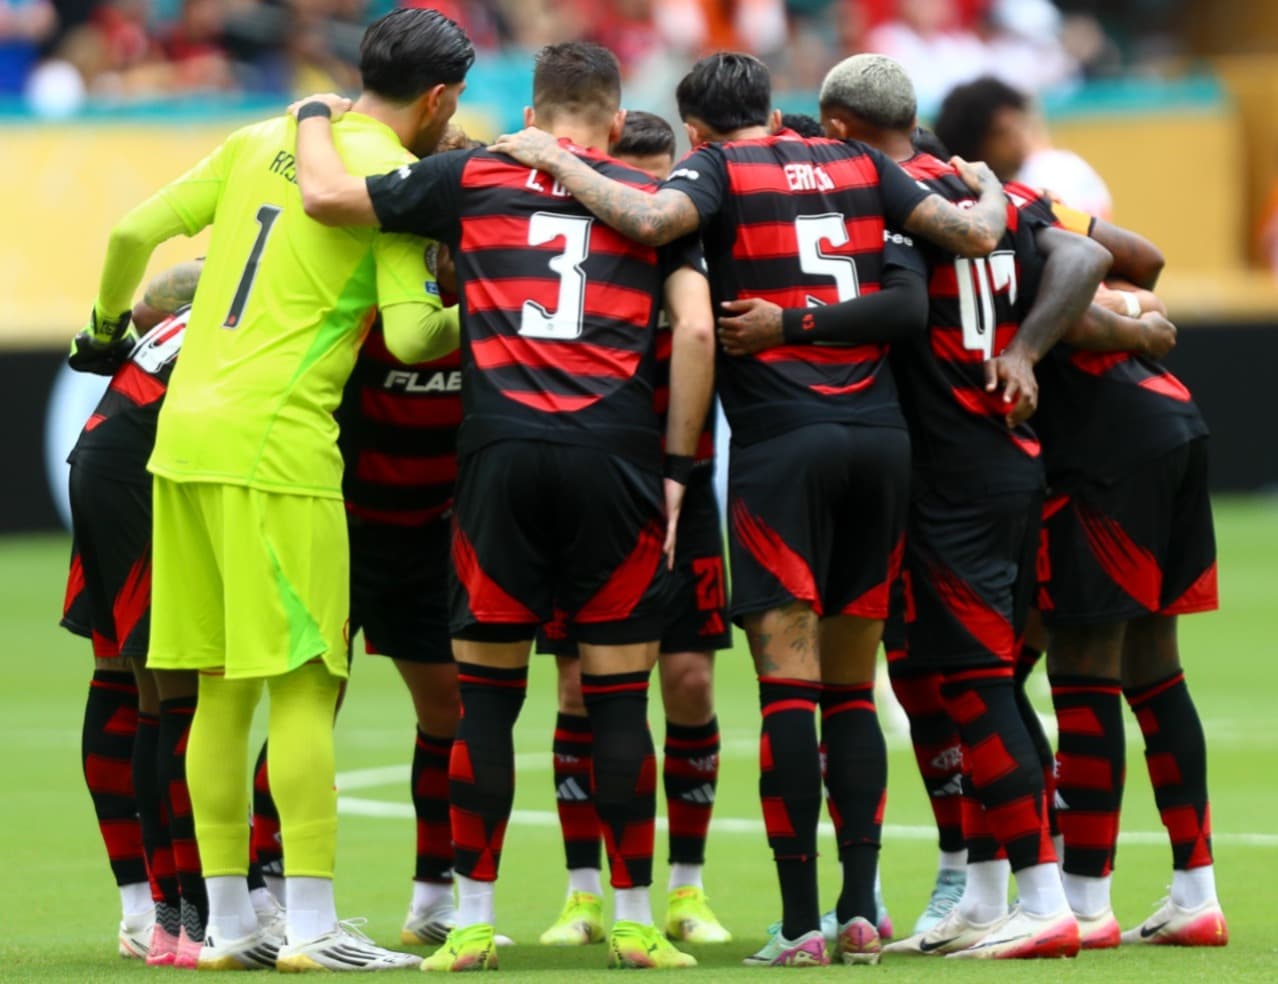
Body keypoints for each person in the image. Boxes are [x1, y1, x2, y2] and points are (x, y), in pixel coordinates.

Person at [487, 50, 1017, 968]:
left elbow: (649, 217)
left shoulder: (718, 170)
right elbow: (973, 235)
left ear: (692, 130)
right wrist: (992, 186)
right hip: (880, 446)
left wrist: (557, 159)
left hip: (782, 454)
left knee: (790, 696)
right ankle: (861, 912)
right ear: (775, 108)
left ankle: (801, 923)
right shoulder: (858, 163)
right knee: (854, 692)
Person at [290, 41, 717, 972]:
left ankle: (472, 922)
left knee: (483, 704)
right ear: (613, 123)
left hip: (498, 458)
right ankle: (638, 924)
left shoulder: (472, 174)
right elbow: (693, 327)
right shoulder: (652, 202)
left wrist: (315, 115)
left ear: (530, 117)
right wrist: (679, 464)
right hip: (615, 458)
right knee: (616, 701)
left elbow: (326, 199)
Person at [76, 7, 472, 970]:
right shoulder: (391, 185)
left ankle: (230, 928)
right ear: (441, 100)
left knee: (213, 692)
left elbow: (133, 229)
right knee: (302, 687)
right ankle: (311, 930)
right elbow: (416, 339)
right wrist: (492, 314)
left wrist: (100, 329)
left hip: (182, 442)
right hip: (279, 448)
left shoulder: (261, 135)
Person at [816, 52, 1114, 960]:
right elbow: (1094, 250)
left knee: (978, 686)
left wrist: (1019, 350)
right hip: (1005, 465)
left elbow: (1095, 257)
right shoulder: (989, 190)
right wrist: (1025, 345)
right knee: (968, 681)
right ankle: (989, 899)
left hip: (957, 474)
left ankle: (1042, 898)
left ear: (838, 129)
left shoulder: (892, 201)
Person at [533, 109, 733, 950]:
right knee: (579, 688)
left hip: (683, 493)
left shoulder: (696, 248)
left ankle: (686, 889)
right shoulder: (573, 257)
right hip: (589, 488)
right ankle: (584, 892)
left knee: (688, 683)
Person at [1031, 204, 1228, 949]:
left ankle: (1084, 900)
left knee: (1083, 670)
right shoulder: (1036, 201)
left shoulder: (959, 219)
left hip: (1105, 444)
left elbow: (1073, 314)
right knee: (1155, 670)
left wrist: (1121, 315)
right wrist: (1138, 307)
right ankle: (1196, 894)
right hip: (1173, 421)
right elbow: (1144, 258)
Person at [934, 75, 1112, 218]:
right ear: (973, 146)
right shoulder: (962, 206)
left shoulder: (1047, 175)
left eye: (1019, 125)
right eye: (1001, 133)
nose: (1018, 138)